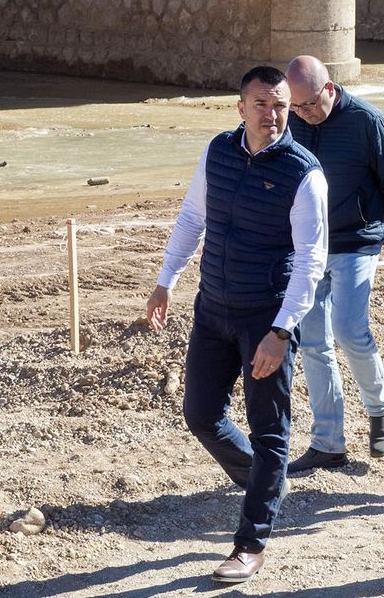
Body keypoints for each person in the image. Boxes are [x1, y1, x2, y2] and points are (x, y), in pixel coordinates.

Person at [145, 65, 329, 585]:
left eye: (280, 106)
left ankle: (250, 543)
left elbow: (312, 259)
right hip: (214, 307)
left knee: (270, 431)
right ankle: (265, 485)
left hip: (265, 316)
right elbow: (191, 218)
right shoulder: (218, 152)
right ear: (240, 107)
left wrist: (281, 329)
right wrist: (166, 280)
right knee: (201, 414)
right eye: (261, 104)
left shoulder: (304, 171)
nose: (270, 114)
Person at [284, 55, 384, 471]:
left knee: (349, 329)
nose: (303, 115)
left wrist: (375, 237)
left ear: (329, 87)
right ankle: (328, 442)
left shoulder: (367, 122)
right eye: (295, 107)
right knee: (312, 341)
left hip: (357, 243)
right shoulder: (290, 121)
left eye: (308, 105)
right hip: (309, 246)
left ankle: (380, 409)